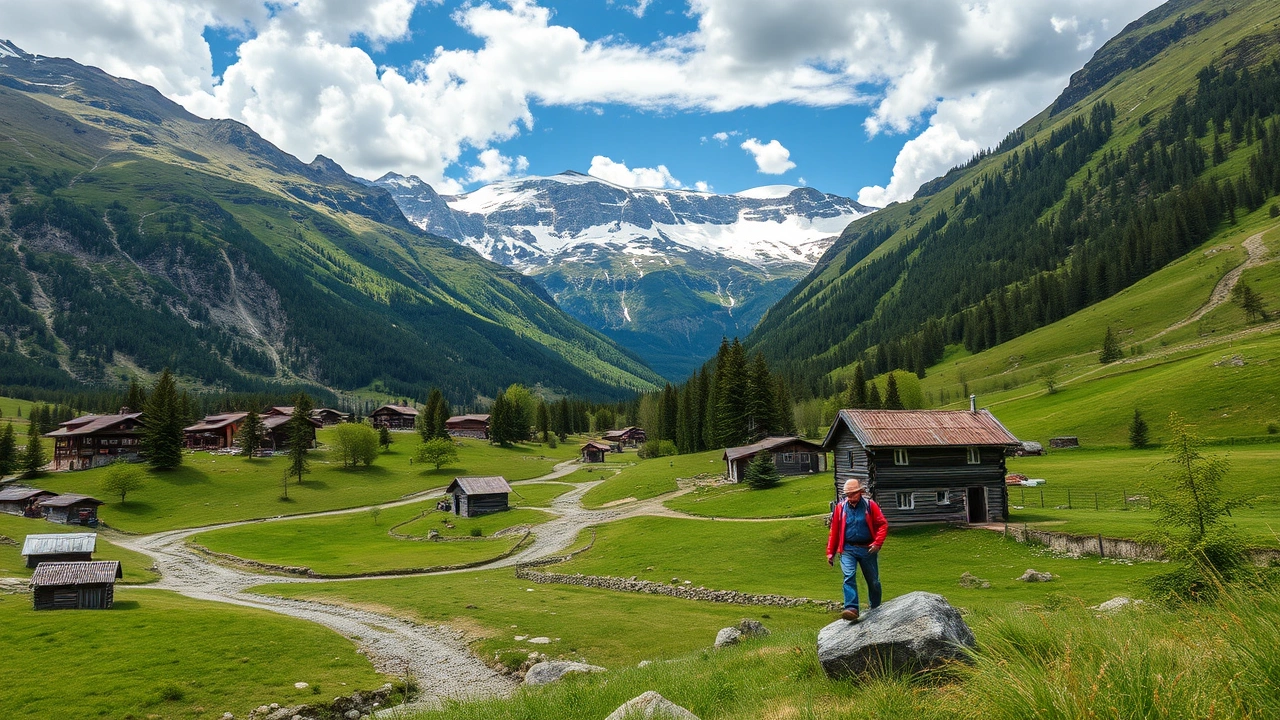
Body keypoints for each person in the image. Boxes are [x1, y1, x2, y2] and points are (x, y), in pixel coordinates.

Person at [826, 478, 887, 622]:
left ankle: (875, 607)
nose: (850, 497)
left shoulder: (869, 506)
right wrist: (831, 552)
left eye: (853, 493)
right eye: (848, 494)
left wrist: (877, 543)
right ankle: (851, 608)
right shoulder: (840, 508)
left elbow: (882, 525)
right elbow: (834, 531)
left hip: (868, 549)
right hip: (848, 548)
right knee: (849, 576)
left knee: (873, 581)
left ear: (860, 492)